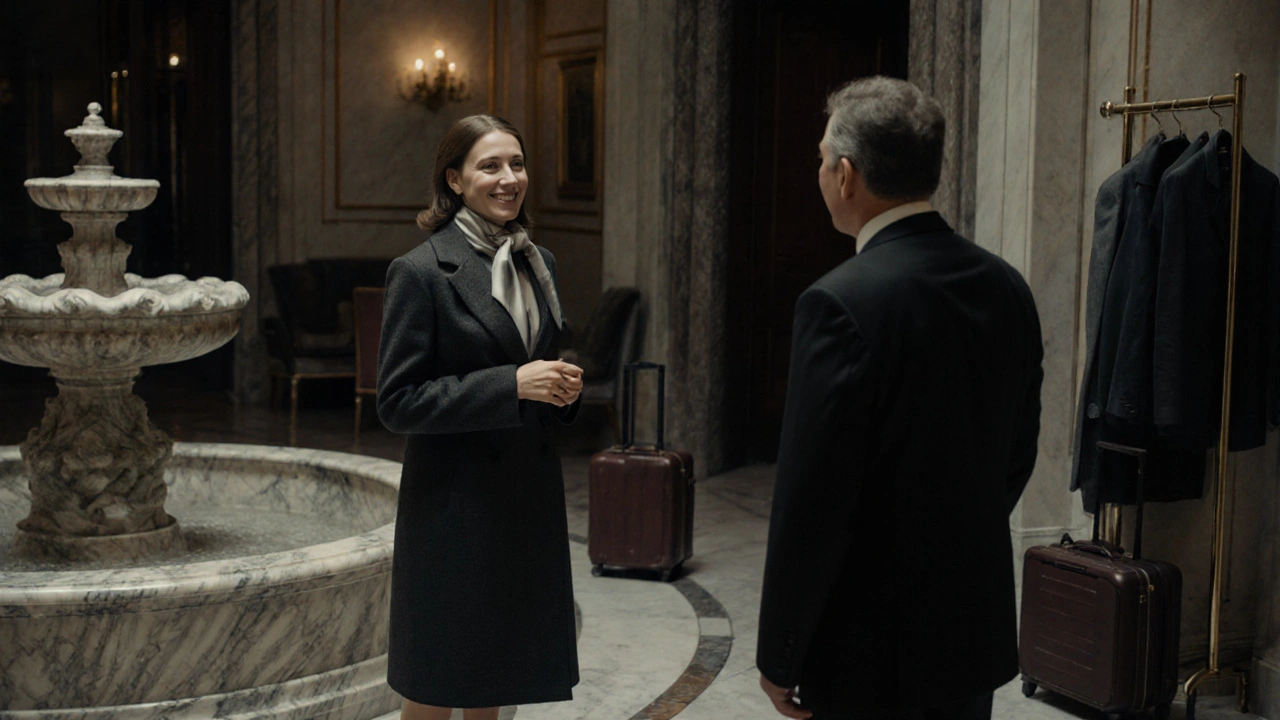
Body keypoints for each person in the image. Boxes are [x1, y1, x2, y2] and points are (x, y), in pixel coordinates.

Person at [755, 77, 1044, 720]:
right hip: (971, 627)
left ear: (847, 174)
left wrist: (782, 649)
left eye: (822, 157)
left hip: (868, 645)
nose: (821, 170)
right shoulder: (1006, 286)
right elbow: (1018, 450)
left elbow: (811, 499)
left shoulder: (837, 302)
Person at [377, 114, 584, 720]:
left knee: (497, 674)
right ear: (455, 179)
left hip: (525, 500)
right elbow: (397, 401)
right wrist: (513, 384)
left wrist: (557, 389)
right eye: (489, 166)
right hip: (455, 509)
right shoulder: (419, 272)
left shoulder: (536, 259)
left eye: (516, 164)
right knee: (439, 681)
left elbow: (531, 360)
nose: (508, 178)